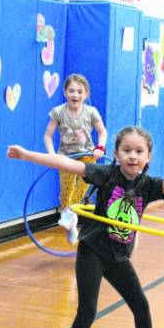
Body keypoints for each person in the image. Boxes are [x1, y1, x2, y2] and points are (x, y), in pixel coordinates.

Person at [8, 126, 164, 328]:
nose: (133, 156)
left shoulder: (149, 185)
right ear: (116, 155)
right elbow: (67, 163)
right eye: (127, 150)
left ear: (148, 156)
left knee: (140, 303)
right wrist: (28, 155)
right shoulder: (107, 174)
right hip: (93, 249)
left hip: (119, 256)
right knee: (88, 309)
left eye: (139, 151)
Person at [43, 74, 108, 245]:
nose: (75, 95)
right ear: (65, 92)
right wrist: (51, 155)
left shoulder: (91, 112)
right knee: (66, 190)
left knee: (81, 187)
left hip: (87, 155)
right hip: (66, 157)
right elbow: (48, 136)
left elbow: (102, 131)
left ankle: (70, 215)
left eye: (80, 91)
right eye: (71, 91)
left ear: (86, 94)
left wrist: (100, 147)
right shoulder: (58, 112)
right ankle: (69, 218)